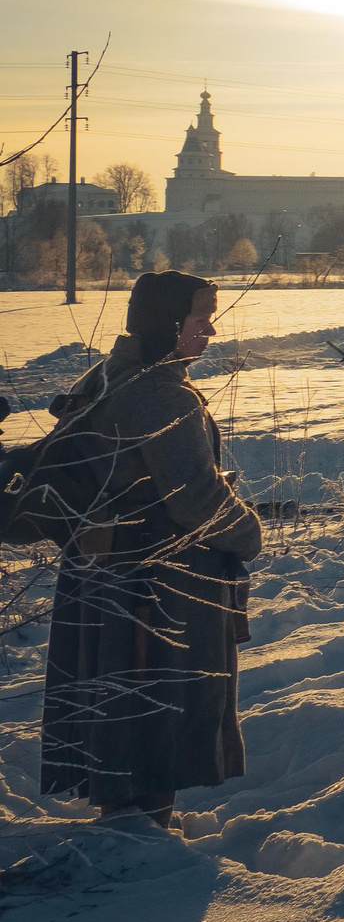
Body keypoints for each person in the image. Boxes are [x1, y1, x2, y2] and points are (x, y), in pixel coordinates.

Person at [38, 270, 263, 827]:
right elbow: (196, 499)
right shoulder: (161, 393)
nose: (210, 329)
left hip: (108, 571)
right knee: (156, 704)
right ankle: (143, 843)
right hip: (159, 580)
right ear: (168, 323)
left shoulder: (112, 375)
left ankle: (127, 826)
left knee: (123, 702)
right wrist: (248, 531)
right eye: (199, 318)